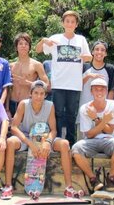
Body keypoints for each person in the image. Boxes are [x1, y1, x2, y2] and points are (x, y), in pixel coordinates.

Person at [4, 80, 81, 199]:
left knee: (65, 144)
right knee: (10, 142)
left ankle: (68, 187)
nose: (39, 96)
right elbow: (13, 127)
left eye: (42, 93)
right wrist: (30, 143)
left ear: (45, 95)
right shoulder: (23, 104)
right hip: (26, 137)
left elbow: (54, 130)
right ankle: (8, 186)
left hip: (44, 137)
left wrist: (48, 142)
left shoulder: (50, 105)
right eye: (36, 93)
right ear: (30, 93)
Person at [36, 10, 92, 147]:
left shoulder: (81, 40)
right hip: (58, 83)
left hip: (75, 84)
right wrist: (43, 40)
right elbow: (38, 50)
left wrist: (84, 57)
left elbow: (89, 57)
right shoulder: (55, 38)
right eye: (67, 21)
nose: (70, 24)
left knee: (72, 115)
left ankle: (72, 143)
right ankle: (58, 142)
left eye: (73, 21)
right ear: (62, 23)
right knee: (58, 114)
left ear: (76, 24)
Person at [72, 78, 114, 192]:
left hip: (109, 139)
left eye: (102, 90)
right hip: (91, 141)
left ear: (106, 91)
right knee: (76, 148)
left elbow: (110, 131)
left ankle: (111, 177)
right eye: (96, 90)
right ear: (91, 91)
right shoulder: (85, 108)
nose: (99, 92)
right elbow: (89, 134)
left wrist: (96, 118)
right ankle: (93, 179)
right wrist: (103, 120)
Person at [7, 32, 49, 118]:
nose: (23, 46)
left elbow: (47, 85)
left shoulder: (36, 65)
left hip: (28, 103)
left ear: (29, 47)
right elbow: (7, 88)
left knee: (27, 130)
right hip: (12, 103)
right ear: (16, 47)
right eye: (20, 44)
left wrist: (29, 83)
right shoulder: (10, 66)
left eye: (26, 44)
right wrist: (7, 108)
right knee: (11, 130)